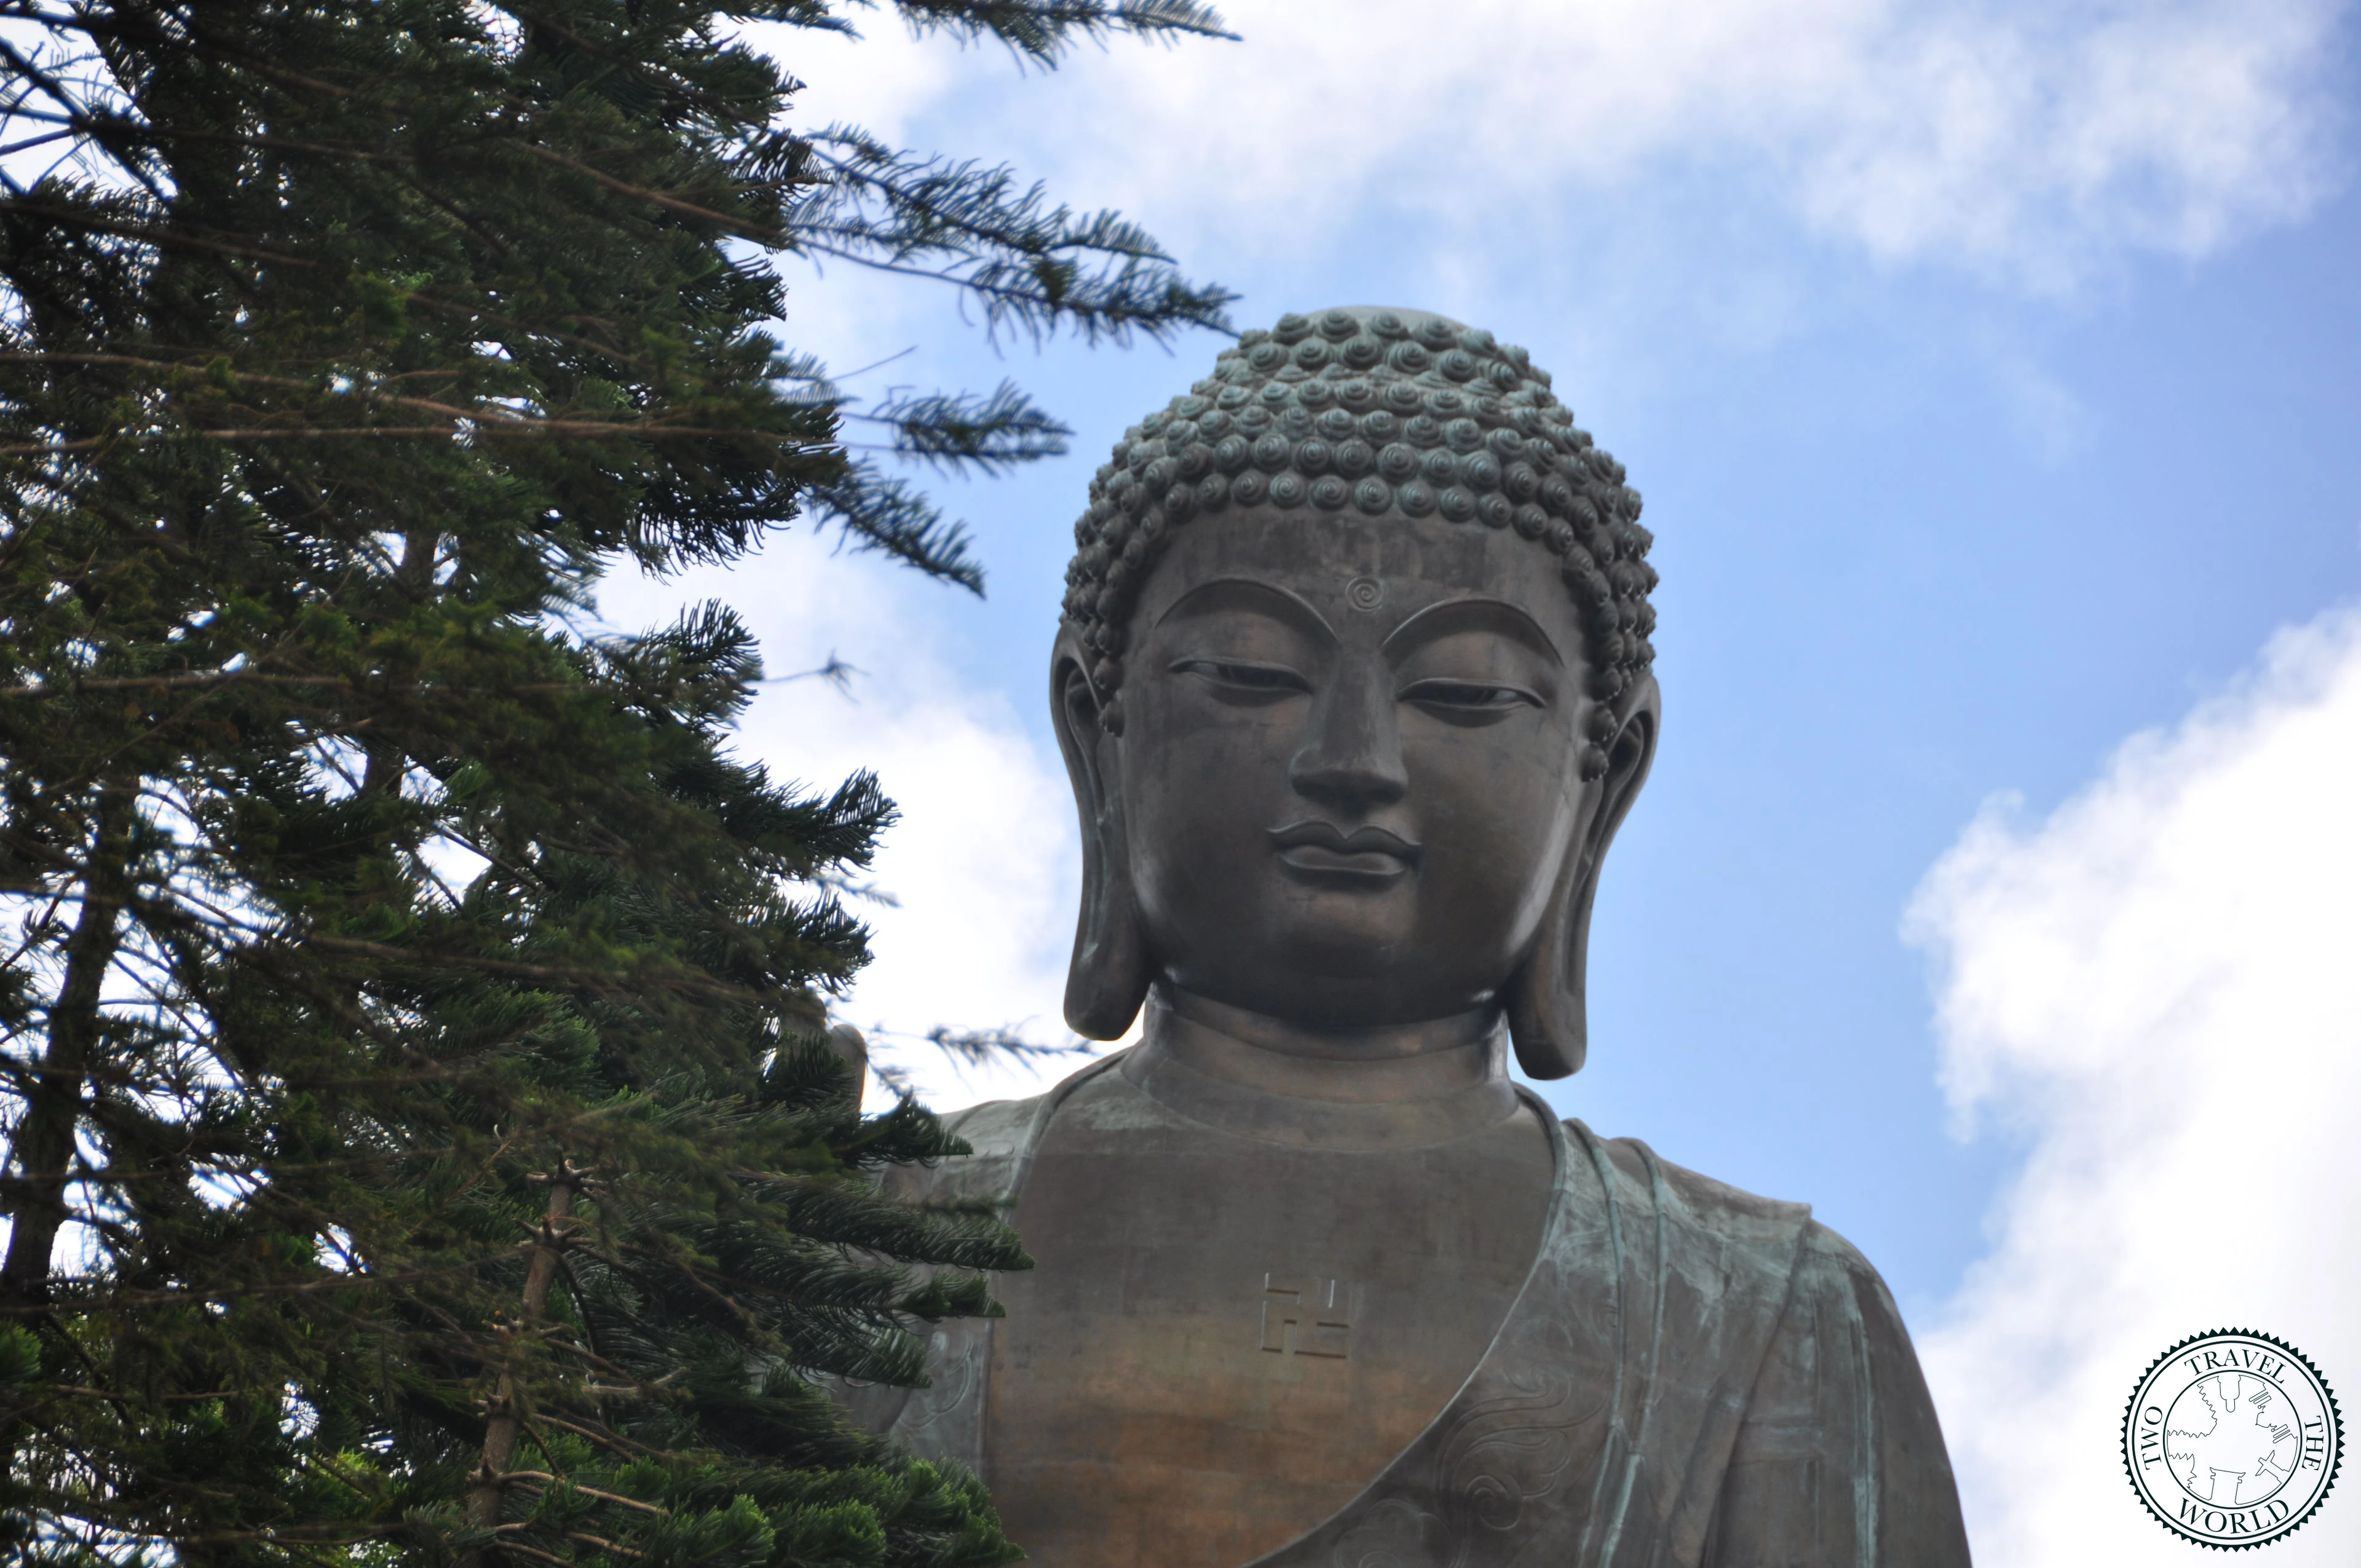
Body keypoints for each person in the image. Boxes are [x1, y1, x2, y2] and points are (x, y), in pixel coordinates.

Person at [847, 307, 1972, 1567]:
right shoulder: (861, 1222)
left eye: (1464, 696)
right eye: (1250, 672)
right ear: (1095, 726)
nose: (1352, 763)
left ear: (1604, 776)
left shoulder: (1776, 1319)